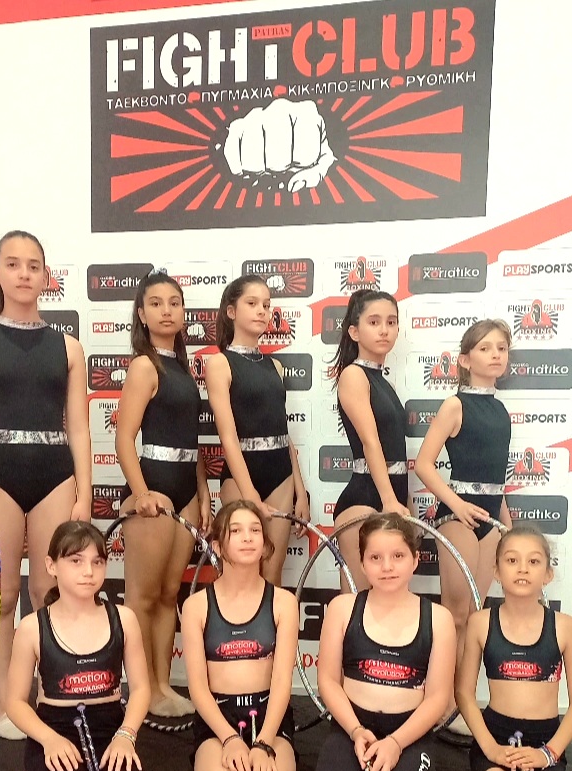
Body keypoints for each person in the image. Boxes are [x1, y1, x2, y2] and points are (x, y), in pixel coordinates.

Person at [0, 230, 91, 739]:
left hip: (55, 473)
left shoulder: (68, 347)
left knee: (48, 590)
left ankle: (50, 696)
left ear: (46, 277)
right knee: (4, 595)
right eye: (13, 264)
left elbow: (80, 429)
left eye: (33, 265)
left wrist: (84, 491)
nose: (24, 273)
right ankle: (8, 703)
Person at [6, 521, 151, 771]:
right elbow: (14, 702)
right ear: (51, 566)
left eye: (97, 562)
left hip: (109, 728)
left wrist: (126, 735)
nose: (89, 572)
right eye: (76, 561)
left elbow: (141, 689)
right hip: (55, 730)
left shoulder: (124, 618)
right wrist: (48, 740)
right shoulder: (32, 627)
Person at [315, 513, 455, 771]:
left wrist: (395, 743)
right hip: (353, 726)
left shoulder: (439, 619)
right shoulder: (342, 608)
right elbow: (328, 681)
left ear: (415, 560)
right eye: (375, 557)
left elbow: (437, 698)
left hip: (408, 731)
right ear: (362, 564)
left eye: (398, 556)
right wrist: (355, 731)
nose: (387, 566)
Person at [115, 270, 211, 718]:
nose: (166, 310)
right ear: (141, 314)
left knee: (170, 593)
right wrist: (141, 493)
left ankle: (161, 685)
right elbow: (123, 439)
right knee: (142, 595)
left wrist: (204, 494)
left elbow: (191, 442)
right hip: (152, 487)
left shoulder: (182, 368)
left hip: (185, 489)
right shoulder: (144, 365)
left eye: (174, 302)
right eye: (156, 303)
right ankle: (140, 690)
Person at [456, 525, 572, 771]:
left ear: (548, 574)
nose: (522, 569)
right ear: (496, 571)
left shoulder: (565, 627)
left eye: (533, 561)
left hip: (545, 742)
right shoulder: (480, 623)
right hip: (496, 739)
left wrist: (549, 753)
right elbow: (463, 693)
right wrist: (491, 749)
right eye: (512, 560)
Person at [414, 319, 513, 739]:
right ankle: (443, 703)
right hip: (456, 519)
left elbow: (495, 478)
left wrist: (506, 524)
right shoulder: (455, 405)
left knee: (475, 618)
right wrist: (455, 506)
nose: (495, 354)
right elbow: (424, 464)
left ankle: (464, 700)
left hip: (490, 521)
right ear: (465, 359)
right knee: (455, 615)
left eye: (502, 348)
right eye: (486, 348)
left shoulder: (501, 410)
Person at [180, 500, 298, 771]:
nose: (247, 537)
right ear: (218, 546)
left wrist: (263, 743)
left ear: (265, 543)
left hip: (268, 718)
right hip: (218, 720)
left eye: (255, 530)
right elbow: (198, 689)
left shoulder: (284, 603)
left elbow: (282, 684)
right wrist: (230, 739)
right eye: (236, 531)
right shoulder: (196, 606)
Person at [205, 275, 309, 585]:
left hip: (281, 476)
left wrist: (300, 491)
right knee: (239, 573)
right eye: (252, 303)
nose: (262, 311)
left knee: (272, 575)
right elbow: (227, 438)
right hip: (240, 478)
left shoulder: (275, 367)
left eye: (266, 304)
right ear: (231, 311)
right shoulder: (220, 363)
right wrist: (249, 494)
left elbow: (284, 434)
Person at [329, 289, 409, 589]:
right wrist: (388, 500)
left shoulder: (384, 383)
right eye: (374, 322)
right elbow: (370, 442)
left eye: (391, 322)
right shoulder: (353, 375)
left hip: (393, 495)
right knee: (357, 604)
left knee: (391, 603)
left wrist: (400, 499)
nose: (384, 330)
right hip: (364, 499)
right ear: (354, 331)